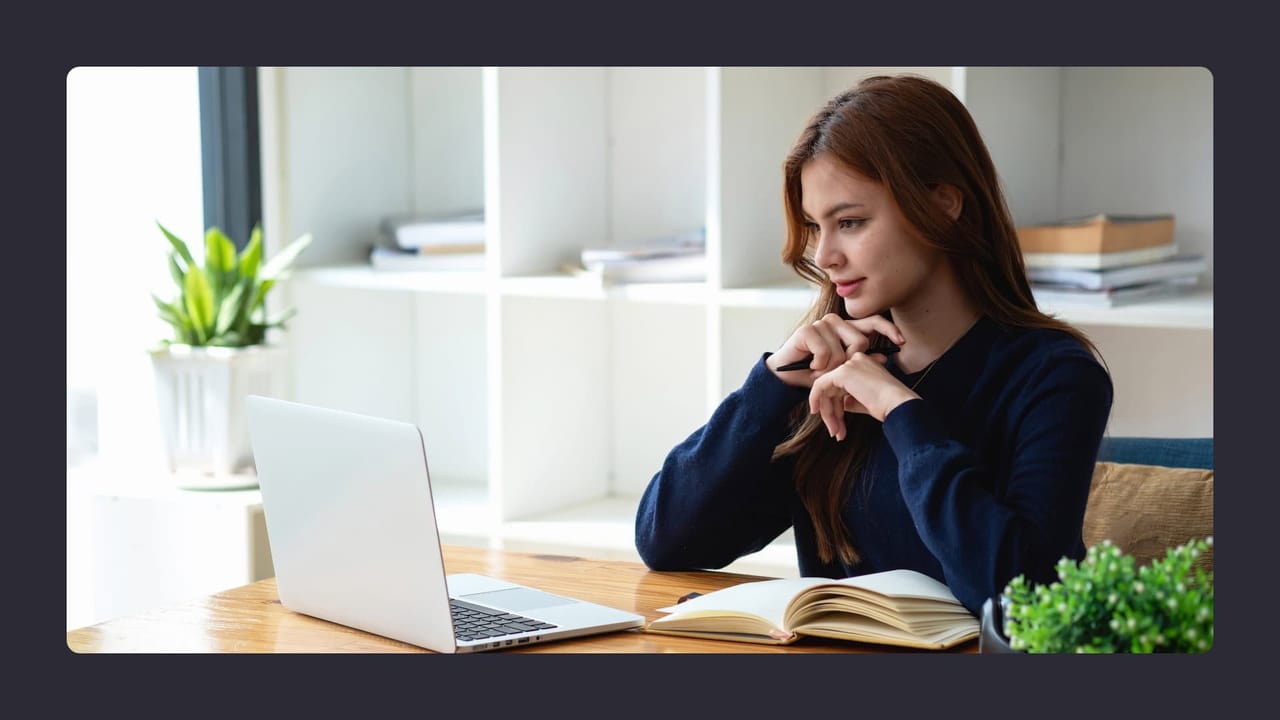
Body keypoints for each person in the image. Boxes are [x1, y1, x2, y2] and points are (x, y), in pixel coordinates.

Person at [633, 74, 1114, 614]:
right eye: (817, 227)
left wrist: (900, 412)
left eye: (851, 222)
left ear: (943, 205)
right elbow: (667, 542)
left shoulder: (1056, 375)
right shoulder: (828, 374)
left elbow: (1024, 597)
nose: (825, 255)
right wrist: (768, 389)